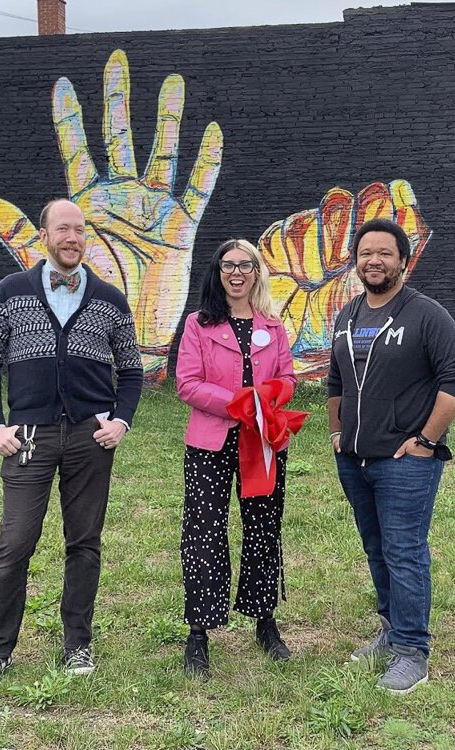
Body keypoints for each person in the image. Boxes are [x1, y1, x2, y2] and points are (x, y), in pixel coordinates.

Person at [0, 198, 143, 687]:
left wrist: (122, 422)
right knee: (14, 544)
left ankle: (77, 646)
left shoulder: (110, 298)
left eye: (80, 231)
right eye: (63, 229)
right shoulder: (11, 291)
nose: (72, 238)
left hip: (91, 438)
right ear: (44, 235)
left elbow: (131, 371)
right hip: (27, 434)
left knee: (84, 543)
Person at [327, 218, 455, 695]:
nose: (374, 260)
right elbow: (335, 382)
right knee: (377, 548)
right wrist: (336, 431)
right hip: (355, 457)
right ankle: (391, 630)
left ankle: (412, 651)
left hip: (404, 461)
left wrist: (426, 442)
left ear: (403, 262)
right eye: (366, 252)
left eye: (385, 253)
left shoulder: (426, 315)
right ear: (356, 261)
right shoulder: (348, 315)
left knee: (405, 551)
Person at [176, 238, 297, 679]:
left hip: (262, 442)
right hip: (211, 441)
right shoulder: (198, 324)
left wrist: (268, 400)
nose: (237, 272)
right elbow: (187, 383)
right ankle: (199, 632)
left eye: (246, 265)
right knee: (204, 532)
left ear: (256, 272)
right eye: (229, 265)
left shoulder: (274, 326)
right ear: (218, 272)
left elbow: (286, 378)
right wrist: (239, 403)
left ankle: (265, 621)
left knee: (264, 529)